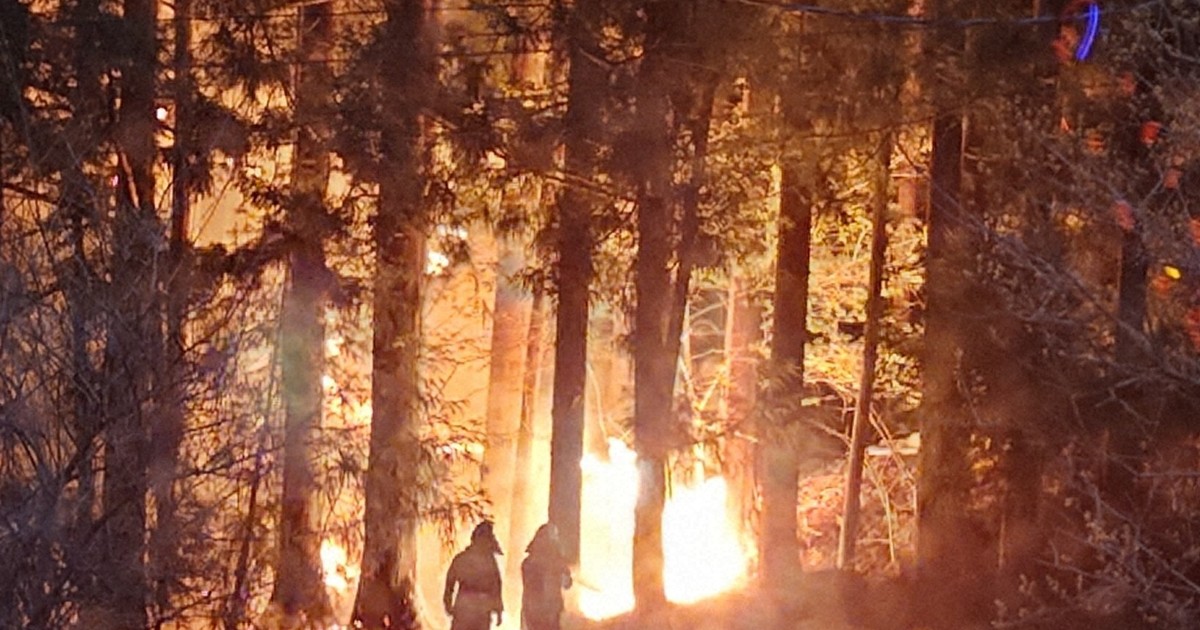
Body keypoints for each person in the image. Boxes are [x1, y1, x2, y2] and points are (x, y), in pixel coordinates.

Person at [444, 521, 504, 630]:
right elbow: (496, 585)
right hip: (473, 607)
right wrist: (498, 610)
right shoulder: (488, 562)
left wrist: (448, 603)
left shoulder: (463, 558)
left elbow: (496, 585)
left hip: (471, 607)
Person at [520, 523, 572, 630]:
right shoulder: (531, 563)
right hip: (538, 612)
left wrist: (563, 576)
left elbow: (567, 583)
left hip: (550, 612)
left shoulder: (556, 562)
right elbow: (532, 587)